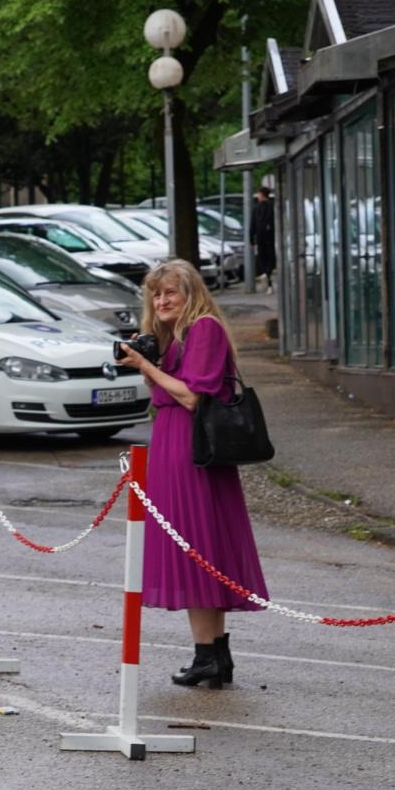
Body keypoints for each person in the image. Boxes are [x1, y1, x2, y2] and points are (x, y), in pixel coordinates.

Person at [112, 258, 267, 688]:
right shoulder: (178, 335)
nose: (161, 301)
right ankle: (214, 656)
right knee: (201, 547)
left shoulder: (204, 329)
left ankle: (208, 656)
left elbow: (191, 397)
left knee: (196, 548)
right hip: (176, 443)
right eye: (156, 294)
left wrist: (147, 367)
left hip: (190, 447)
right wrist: (147, 361)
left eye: (170, 293)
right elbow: (166, 392)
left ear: (190, 294)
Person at [251, 187, 277, 293]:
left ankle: (266, 277)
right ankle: (268, 279)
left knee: (263, 258)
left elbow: (252, 224)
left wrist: (251, 238)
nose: (257, 196)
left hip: (261, 237)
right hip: (269, 237)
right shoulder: (271, 206)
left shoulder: (256, 208)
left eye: (258, 194)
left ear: (262, 195)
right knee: (269, 258)